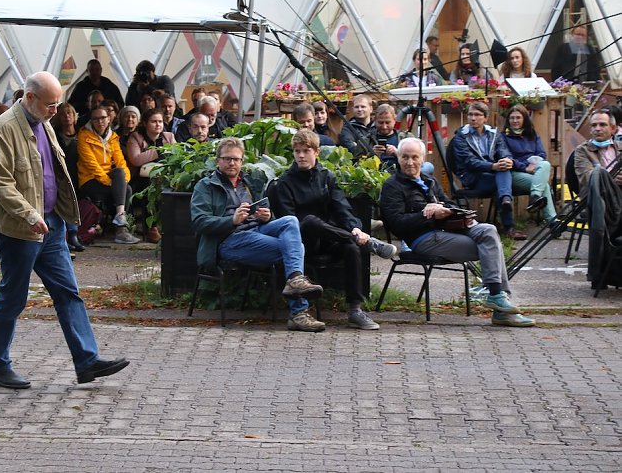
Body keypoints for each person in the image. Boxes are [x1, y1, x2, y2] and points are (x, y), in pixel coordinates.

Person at [0, 72, 129, 388]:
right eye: (51, 104)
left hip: (51, 225)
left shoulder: (42, 120)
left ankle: (87, 361)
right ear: (30, 97)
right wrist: (30, 214)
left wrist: (62, 217)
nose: (57, 111)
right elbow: (1, 184)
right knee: (13, 298)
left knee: (68, 293)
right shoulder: (4, 130)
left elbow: (55, 174)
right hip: (19, 231)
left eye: (58, 103)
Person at [379, 137, 535, 327]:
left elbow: (450, 204)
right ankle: (500, 303)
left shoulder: (430, 180)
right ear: (398, 158)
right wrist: (427, 214)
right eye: (404, 157)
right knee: (491, 247)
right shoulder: (392, 186)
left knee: (489, 230)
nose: (410, 162)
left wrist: (446, 209)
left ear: (422, 158)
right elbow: (397, 224)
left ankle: (498, 299)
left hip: (449, 230)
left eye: (414, 157)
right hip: (423, 239)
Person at [191, 137, 325, 331]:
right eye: (227, 158)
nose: (232, 163)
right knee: (296, 248)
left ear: (242, 161)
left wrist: (267, 217)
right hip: (228, 240)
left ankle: (295, 280)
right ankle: (298, 312)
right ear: (217, 160)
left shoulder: (249, 183)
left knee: (290, 221)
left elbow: (267, 213)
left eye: (236, 159)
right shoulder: (205, 186)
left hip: (257, 230)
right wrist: (231, 220)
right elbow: (199, 222)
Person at [271, 129, 397, 331]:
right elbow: (289, 222)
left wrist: (355, 228)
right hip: (301, 244)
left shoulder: (326, 176)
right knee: (309, 221)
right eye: (297, 151)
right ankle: (368, 243)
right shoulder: (285, 182)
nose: (301, 155)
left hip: (329, 237)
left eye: (306, 151)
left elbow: (342, 208)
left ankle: (355, 310)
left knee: (350, 247)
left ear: (317, 152)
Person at [450, 102, 525, 240]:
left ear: (486, 118)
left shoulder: (493, 134)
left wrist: (507, 160)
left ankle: (505, 202)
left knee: (503, 170)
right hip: (473, 177)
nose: (473, 118)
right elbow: (469, 161)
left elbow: (503, 150)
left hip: (492, 174)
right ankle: (508, 221)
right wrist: (492, 166)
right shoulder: (461, 136)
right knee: (501, 177)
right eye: (470, 115)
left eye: (477, 115)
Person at [573, 110, 622, 290]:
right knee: (598, 174)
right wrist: (609, 178)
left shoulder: (620, 149)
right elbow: (587, 178)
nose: (597, 129)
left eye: (602, 125)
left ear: (613, 128)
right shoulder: (582, 151)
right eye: (594, 125)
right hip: (598, 201)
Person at [77, 106, 140, 244]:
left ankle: (120, 222)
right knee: (125, 190)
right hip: (90, 180)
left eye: (103, 118)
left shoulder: (113, 137)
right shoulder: (84, 136)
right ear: (91, 121)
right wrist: (112, 183)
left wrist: (124, 181)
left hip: (109, 178)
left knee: (122, 177)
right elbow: (91, 165)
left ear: (109, 119)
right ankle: (121, 229)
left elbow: (121, 162)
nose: (100, 121)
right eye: (96, 118)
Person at [126, 108, 176, 243]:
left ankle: (169, 227)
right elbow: (135, 159)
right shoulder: (136, 137)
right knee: (150, 187)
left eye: (160, 121)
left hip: (165, 176)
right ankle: (152, 228)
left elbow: (176, 157)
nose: (158, 124)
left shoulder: (169, 137)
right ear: (145, 123)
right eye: (154, 121)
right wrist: (159, 151)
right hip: (141, 179)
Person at [502, 104, 556, 223]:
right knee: (544, 185)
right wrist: (525, 167)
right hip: (515, 174)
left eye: (518, 117)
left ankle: (535, 197)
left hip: (535, 170)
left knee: (545, 164)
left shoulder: (532, 135)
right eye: (512, 118)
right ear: (508, 120)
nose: (515, 121)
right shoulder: (503, 137)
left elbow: (541, 153)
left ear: (524, 119)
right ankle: (552, 221)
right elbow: (507, 157)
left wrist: (534, 165)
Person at [50, 102, 85, 252]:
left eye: (69, 113)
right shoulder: (54, 135)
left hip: (79, 175)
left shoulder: (83, 134)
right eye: (63, 113)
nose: (66, 116)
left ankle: (73, 234)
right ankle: (70, 235)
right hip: (60, 176)